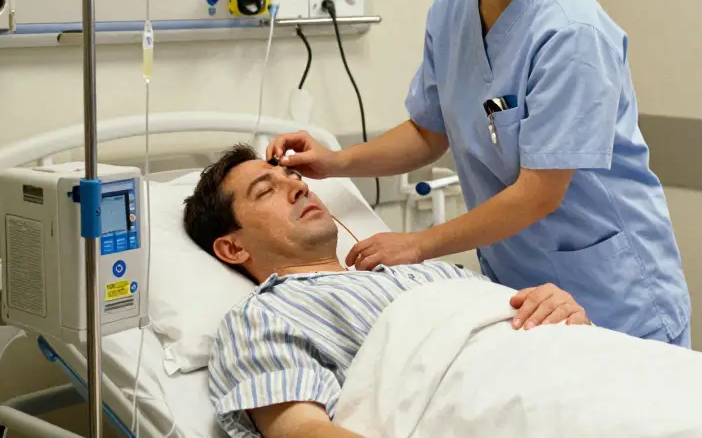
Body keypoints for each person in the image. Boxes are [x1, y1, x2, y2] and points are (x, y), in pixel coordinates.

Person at [266, 0, 691, 347]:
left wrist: (418, 244)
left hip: (611, 292)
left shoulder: (569, 32)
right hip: (520, 294)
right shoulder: (452, 11)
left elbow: (540, 191)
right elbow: (429, 130)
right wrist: (336, 161)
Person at [182, 144, 592, 438]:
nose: (299, 187)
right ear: (233, 247)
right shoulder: (263, 317)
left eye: (293, 175)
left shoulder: (423, 272)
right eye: (266, 190)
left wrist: (564, 311)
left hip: (583, 377)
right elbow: (302, 430)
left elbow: (523, 324)